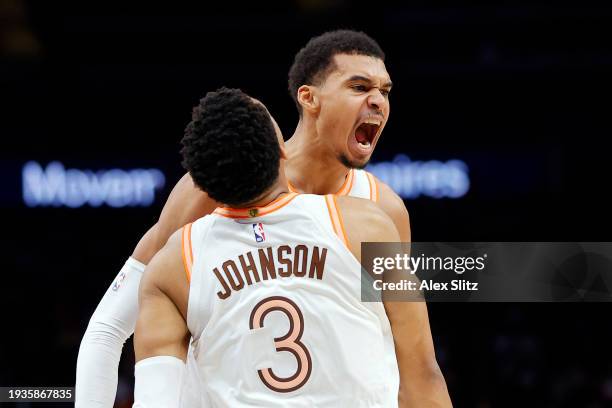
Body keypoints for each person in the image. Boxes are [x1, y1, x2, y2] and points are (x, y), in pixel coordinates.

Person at [76, 30, 445, 406]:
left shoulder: (384, 210)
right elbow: (107, 329)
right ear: (309, 98)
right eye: (359, 86)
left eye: (385, 91)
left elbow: (408, 361)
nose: (378, 101)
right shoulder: (210, 190)